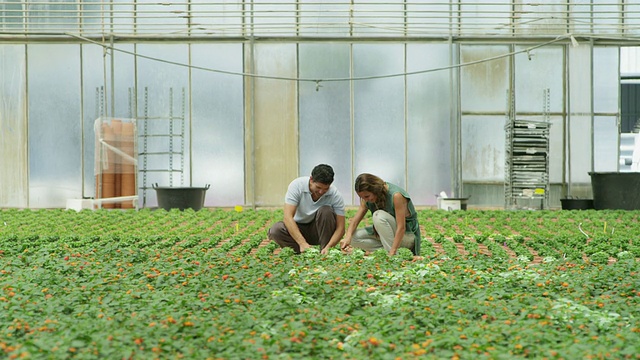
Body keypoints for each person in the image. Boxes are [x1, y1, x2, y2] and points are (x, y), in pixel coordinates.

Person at [268, 164, 346, 254]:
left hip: (318, 230)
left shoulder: (334, 194)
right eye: (318, 187)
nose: (321, 192)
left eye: (325, 189)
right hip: (298, 228)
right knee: (276, 230)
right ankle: (301, 250)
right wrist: (302, 243)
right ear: (311, 179)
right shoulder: (297, 186)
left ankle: (324, 250)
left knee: (326, 211)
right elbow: (287, 217)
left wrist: (329, 246)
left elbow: (341, 228)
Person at [340, 173, 421, 256]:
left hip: (407, 236)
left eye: (367, 196)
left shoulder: (396, 196)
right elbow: (355, 221)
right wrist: (347, 237)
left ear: (375, 189)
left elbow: (401, 227)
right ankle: (387, 250)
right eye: (362, 198)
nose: (365, 200)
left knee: (378, 215)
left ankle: (392, 254)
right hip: (389, 235)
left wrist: (392, 251)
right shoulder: (366, 200)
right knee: (353, 237)